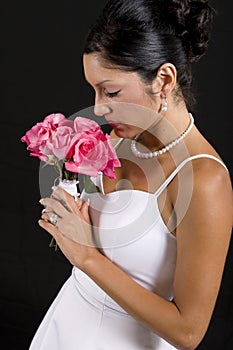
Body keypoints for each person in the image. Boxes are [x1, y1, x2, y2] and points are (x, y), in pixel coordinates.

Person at [29, 0, 233, 349]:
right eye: (94, 90)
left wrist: (87, 255)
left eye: (110, 91)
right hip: (65, 324)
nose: (98, 108)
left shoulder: (204, 180)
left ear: (164, 79)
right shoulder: (119, 138)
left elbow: (189, 333)